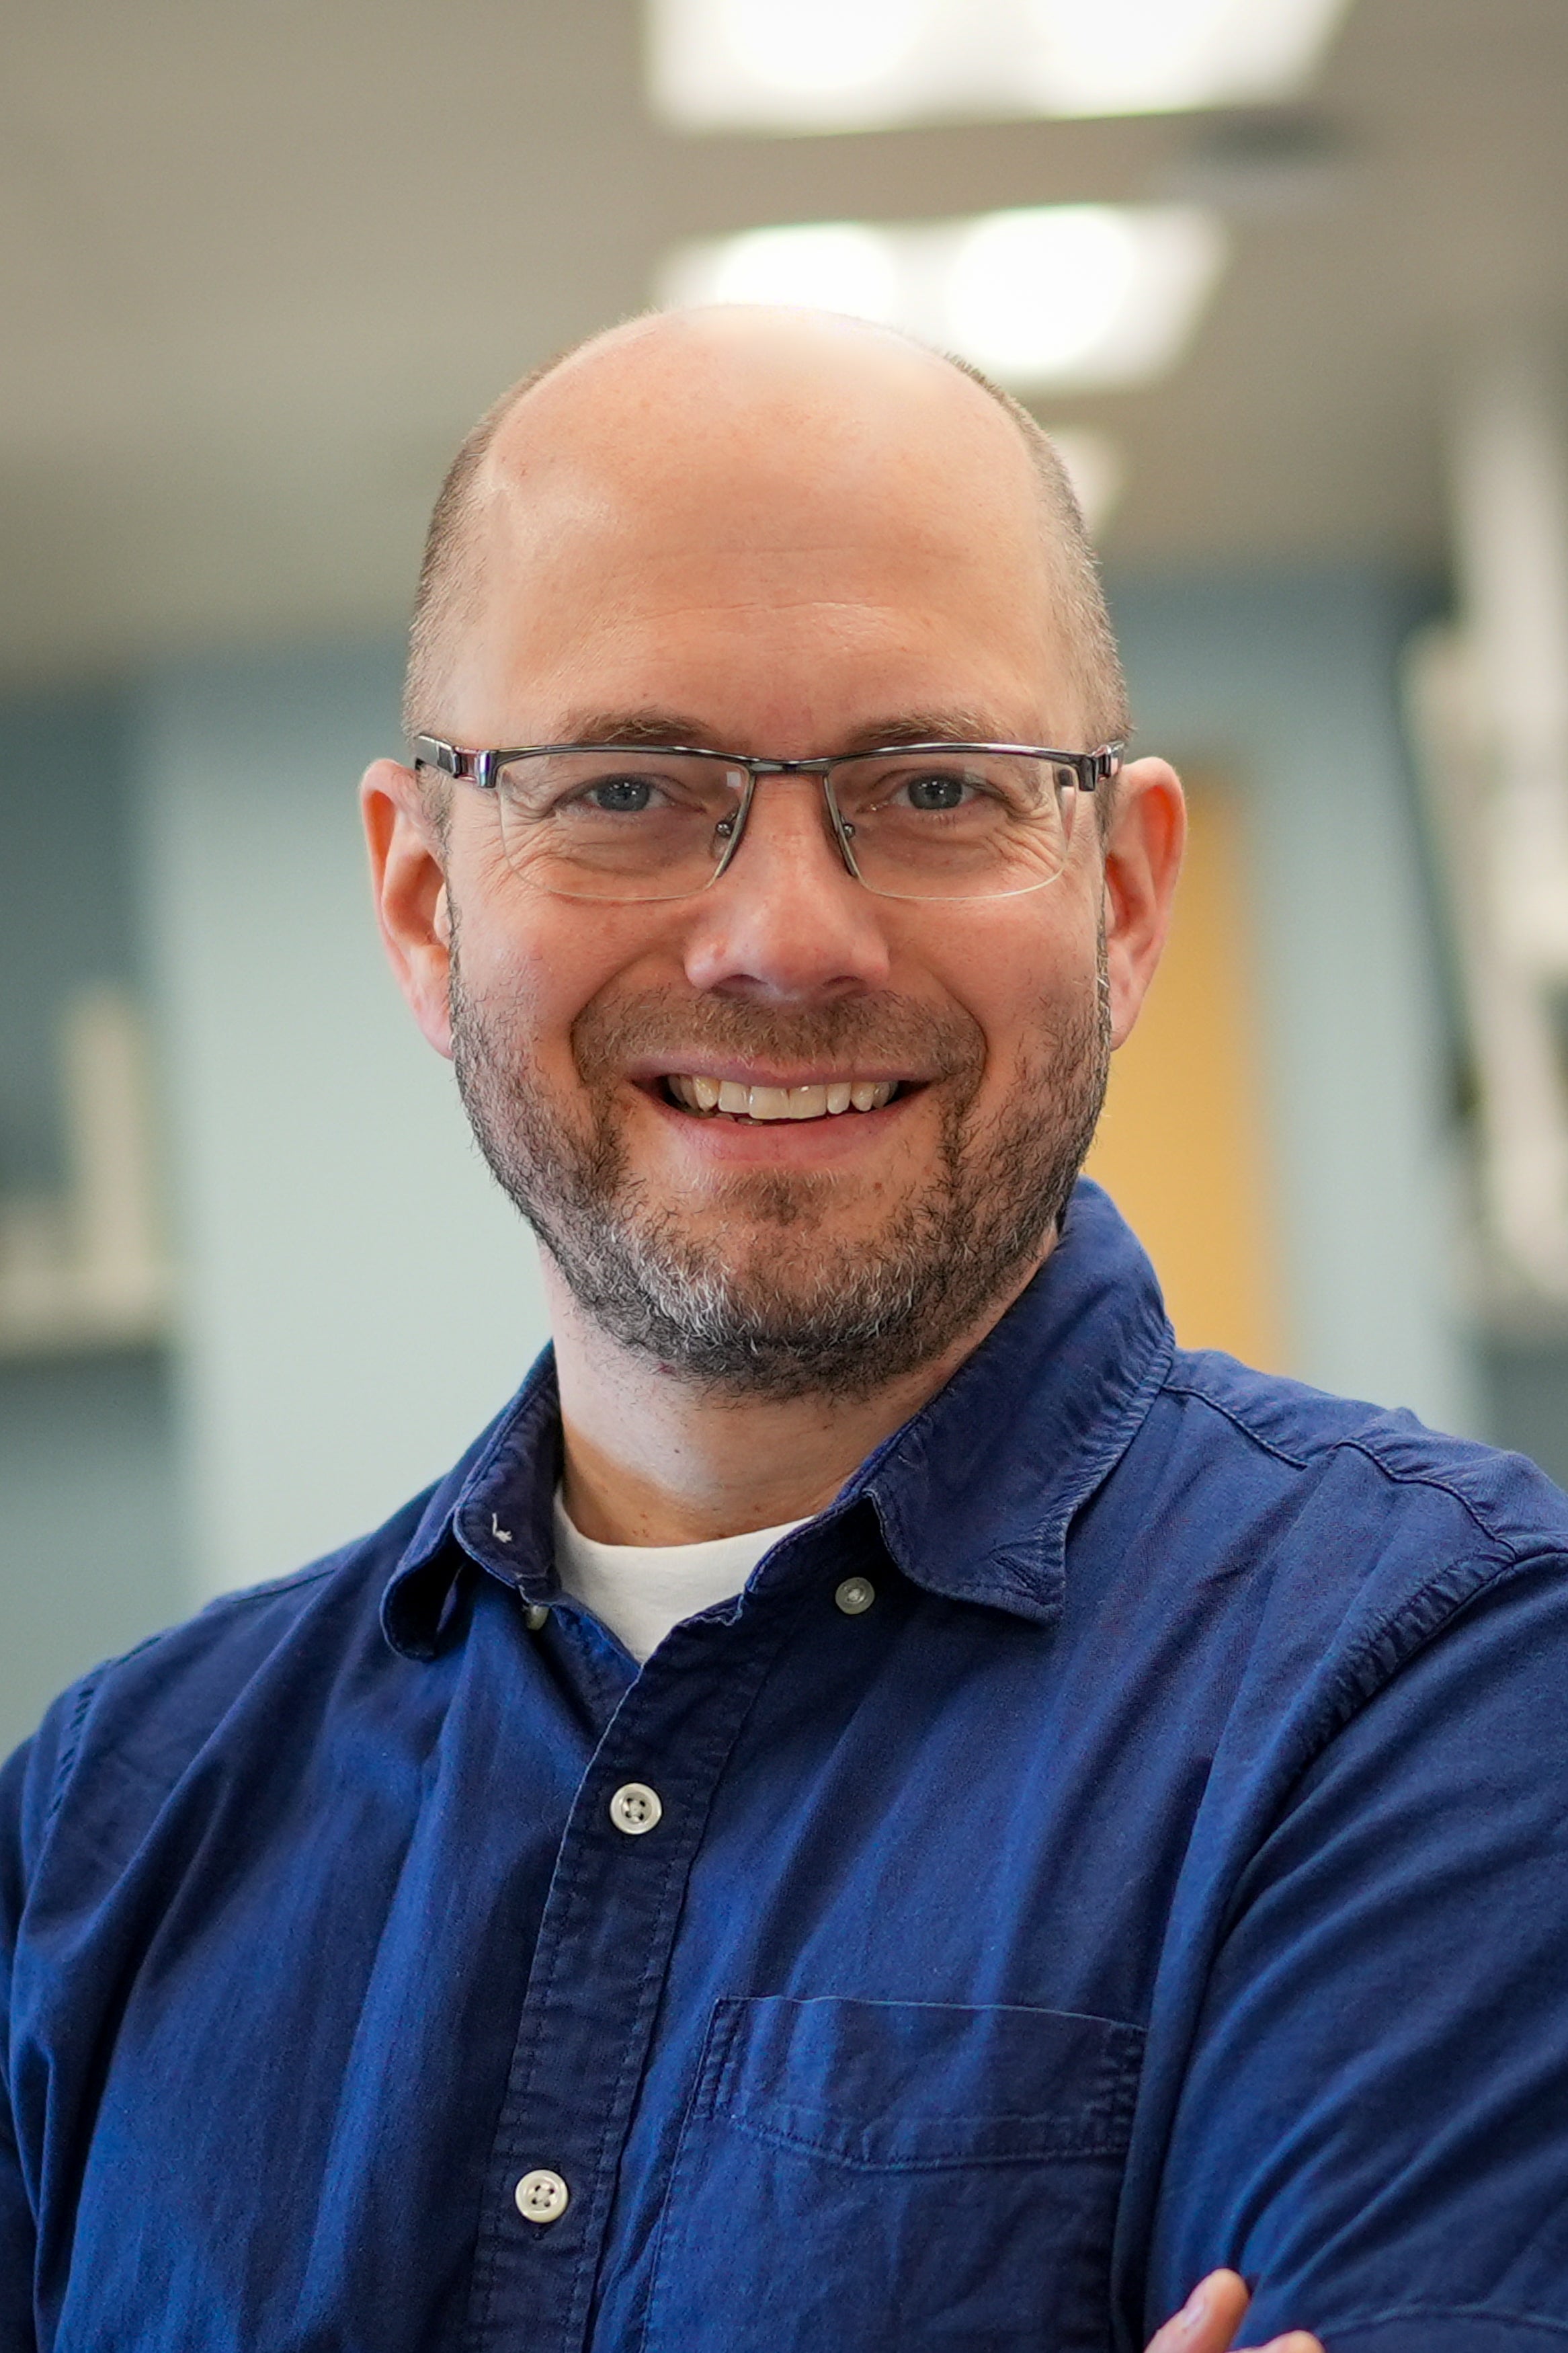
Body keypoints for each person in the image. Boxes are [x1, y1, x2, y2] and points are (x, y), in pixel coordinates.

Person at [3, 307, 1567, 2353]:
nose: (784, 937)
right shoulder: (108, 1822)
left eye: (933, 786)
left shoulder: (1446, 1697)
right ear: (422, 899)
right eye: (630, 787)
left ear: (1119, 898)